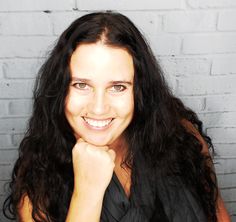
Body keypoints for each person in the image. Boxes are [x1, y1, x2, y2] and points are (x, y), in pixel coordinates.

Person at [3, 12, 230, 222]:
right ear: (60, 88)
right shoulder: (38, 177)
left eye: (118, 87)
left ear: (139, 91)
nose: (99, 108)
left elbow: (218, 215)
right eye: (81, 85)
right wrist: (87, 193)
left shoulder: (182, 136)